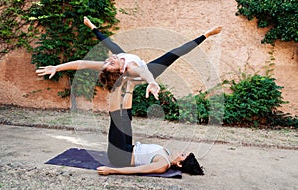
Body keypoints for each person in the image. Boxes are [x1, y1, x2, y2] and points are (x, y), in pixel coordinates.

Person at [36, 16, 222, 175]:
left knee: (170, 57)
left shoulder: (163, 164)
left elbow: (139, 170)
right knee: (126, 116)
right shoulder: (165, 152)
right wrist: (57, 67)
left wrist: (151, 82)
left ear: (179, 164)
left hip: (120, 156)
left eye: (183, 155)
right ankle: (127, 82)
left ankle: (206, 35)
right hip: (127, 148)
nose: (110, 59)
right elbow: (81, 63)